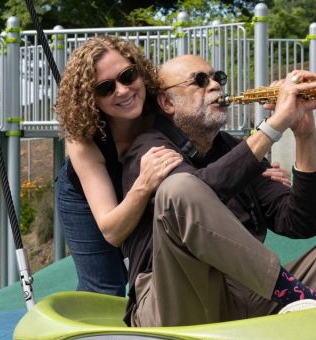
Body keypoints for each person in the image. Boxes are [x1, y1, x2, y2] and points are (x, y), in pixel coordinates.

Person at [121, 55, 316, 327]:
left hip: (249, 293)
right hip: (175, 301)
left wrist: (304, 134)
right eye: (199, 81)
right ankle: (308, 302)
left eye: (216, 78)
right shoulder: (149, 149)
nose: (213, 85)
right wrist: (274, 126)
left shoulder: (235, 149)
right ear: (167, 102)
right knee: (179, 188)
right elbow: (199, 191)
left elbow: (299, 223)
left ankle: (312, 311)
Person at [54, 37, 292, 297]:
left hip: (150, 178)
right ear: (92, 99)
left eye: (127, 76)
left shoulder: (159, 108)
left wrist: (250, 168)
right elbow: (112, 231)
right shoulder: (84, 139)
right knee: (105, 284)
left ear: (141, 72)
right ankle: (89, 334)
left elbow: (200, 161)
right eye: (105, 88)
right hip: (87, 198)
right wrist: (142, 186)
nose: (122, 91)